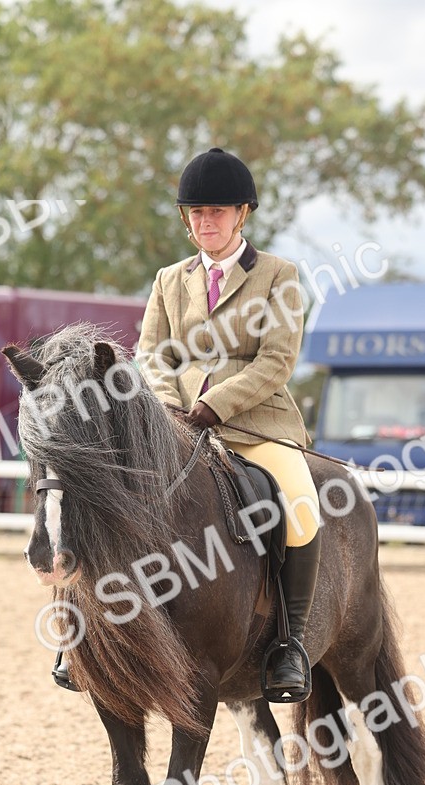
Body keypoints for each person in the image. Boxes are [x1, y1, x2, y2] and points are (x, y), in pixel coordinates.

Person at [136, 147, 321, 702]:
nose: (205, 222)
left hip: (256, 423)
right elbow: (151, 355)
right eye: (195, 213)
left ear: (242, 214)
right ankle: (92, 636)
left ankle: (290, 643)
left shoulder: (278, 276)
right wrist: (170, 407)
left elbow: (276, 360)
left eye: (216, 211)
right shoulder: (170, 280)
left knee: (302, 504)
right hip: (174, 422)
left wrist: (216, 404)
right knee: (108, 496)